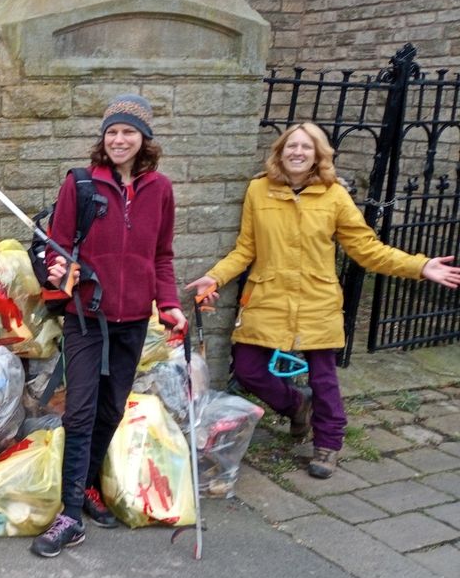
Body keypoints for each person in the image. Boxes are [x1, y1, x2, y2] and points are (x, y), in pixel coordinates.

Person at [187, 122, 460, 478]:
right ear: (280, 151)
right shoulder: (259, 190)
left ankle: (328, 444)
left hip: (317, 299)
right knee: (250, 369)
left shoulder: (334, 195)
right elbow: (246, 248)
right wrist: (216, 276)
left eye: (306, 147)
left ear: (319, 155)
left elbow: (366, 249)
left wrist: (420, 265)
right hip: (268, 294)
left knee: (324, 378)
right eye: (291, 146)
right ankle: (297, 406)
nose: (298, 152)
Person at [31, 94, 187, 558]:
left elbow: (161, 256)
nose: (119, 139)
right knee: (79, 412)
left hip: (134, 320)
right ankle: (68, 516)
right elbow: (56, 246)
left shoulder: (160, 190)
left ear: (145, 140)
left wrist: (171, 304)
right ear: (104, 138)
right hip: (86, 317)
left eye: (129, 132)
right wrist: (58, 269)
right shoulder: (81, 185)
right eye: (112, 132)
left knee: (110, 411)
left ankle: (86, 492)